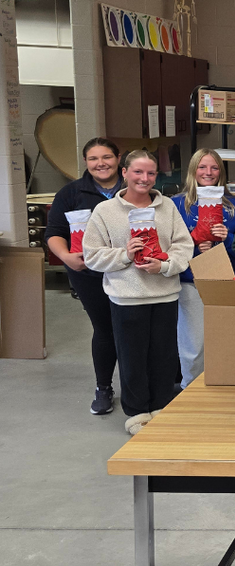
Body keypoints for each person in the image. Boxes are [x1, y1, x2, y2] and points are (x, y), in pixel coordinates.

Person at [82, 149, 192, 436]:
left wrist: (165, 264)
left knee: (164, 356)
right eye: (138, 172)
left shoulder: (167, 207)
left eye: (151, 173)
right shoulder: (105, 212)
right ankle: (137, 411)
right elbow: (92, 255)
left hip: (165, 295)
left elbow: (184, 246)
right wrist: (125, 255)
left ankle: (160, 405)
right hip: (127, 297)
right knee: (132, 357)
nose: (145, 178)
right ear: (125, 173)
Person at [44, 138, 123, 415]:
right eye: (93, 158)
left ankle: (139, 384)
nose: (100, 163)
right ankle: (103, 388)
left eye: (106, 157)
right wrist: (65, 257)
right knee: (105, 329)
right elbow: (53, 232)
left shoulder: (134, 187)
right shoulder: (72, 192)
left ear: (118, 158)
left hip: (131, 271)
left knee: (134, 328)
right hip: (89, 275)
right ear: (86, 162)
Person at [171, 149, 235, 387]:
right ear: (193, 170)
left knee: (225, 339)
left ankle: (222, 385)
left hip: (224, 279)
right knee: (194, 342)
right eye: (202, 167)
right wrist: (193, 246)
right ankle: (190, 387)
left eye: (214, 168)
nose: (208, 172)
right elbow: (169, 244)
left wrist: (228, 238)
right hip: (190, 280)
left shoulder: (234, 205)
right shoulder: (177, 205)